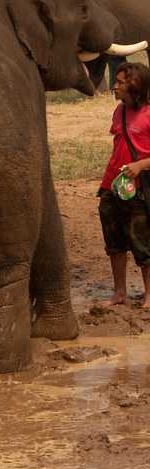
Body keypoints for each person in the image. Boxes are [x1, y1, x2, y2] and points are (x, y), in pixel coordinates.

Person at [98, 61, 150, 308]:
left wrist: (140, 166)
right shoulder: (118, 112)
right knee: (114, 241)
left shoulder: (149, 114)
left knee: (143, 242)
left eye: (120, 82)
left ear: (135, 85)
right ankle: (119, 292)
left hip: (139, 188)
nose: (114, 87)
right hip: (113, 185)